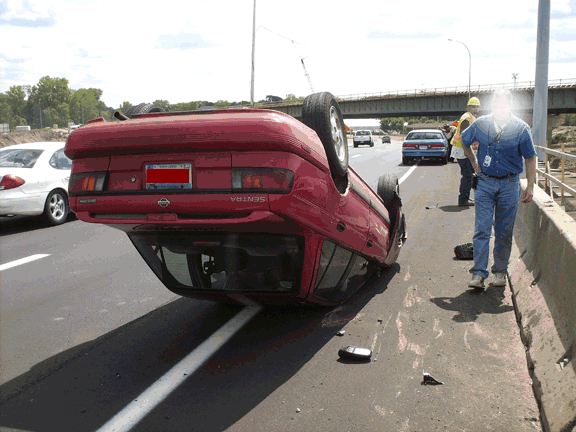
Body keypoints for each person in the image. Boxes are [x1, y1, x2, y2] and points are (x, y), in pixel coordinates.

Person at [461, 89, 537, 289]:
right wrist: (474, 161)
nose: (500, 108)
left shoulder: (521, 128)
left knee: (504, 231)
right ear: (492, 106)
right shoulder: (481, 123)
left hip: (510, 184)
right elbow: (464, 140)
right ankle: (478, 274)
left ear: (510, 106)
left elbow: (530, 157)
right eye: (496, 105)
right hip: (485, 183)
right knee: (482, 229)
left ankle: (500, 272)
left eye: (503, 105)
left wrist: (530, 184)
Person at [451, 97, 481, 206]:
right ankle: (463, 200)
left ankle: (465, 197)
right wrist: (471, 154)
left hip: (464, 150)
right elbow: (464, 136)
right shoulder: (466, 117)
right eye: (473, 106)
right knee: (467, 175)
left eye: (477, 106)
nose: (475, 108)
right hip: (462, 150)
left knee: (468, 174)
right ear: (468, 107)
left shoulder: (471, 117)